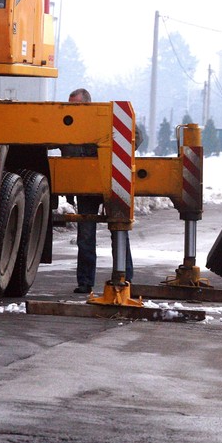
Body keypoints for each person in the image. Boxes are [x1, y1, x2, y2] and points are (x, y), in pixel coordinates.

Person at [64, 88, 134, 293]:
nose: (72, 110)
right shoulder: (67, 124)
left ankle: (124, 277)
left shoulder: (106, 118)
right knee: (85, 235)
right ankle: (85, 282)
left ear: (88, 104)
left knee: (119, 230)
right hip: (85, 187)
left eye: (75, 105)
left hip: (112, 185)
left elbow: (135, 135)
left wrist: (121, 155)